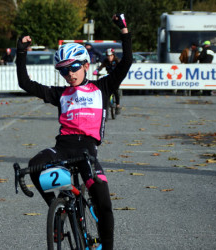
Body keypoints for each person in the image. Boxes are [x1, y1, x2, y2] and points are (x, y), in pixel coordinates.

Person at [16, 14, 132, 249]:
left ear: (86, 65)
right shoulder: (61, 93)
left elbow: (126, 62)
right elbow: (25, 83)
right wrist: (21, 52)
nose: (69, 74)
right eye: (63, 71)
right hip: (63, 147)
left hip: (87, 150)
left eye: (74, 68)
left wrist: (124, 32)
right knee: (35, 165)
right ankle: (57, 210)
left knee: (104, 203)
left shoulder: (103, 86)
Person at [93, 48, 122, 115]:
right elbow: (101, 67)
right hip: (109, 77)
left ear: (113, 56)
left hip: (115, 78)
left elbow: (121, 69)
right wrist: (97, 71)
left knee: (115, 91)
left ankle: (117, 105)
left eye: (111, 56)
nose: (109, 58)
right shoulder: (106, 61)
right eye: (108, 56)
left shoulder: (117, 61)